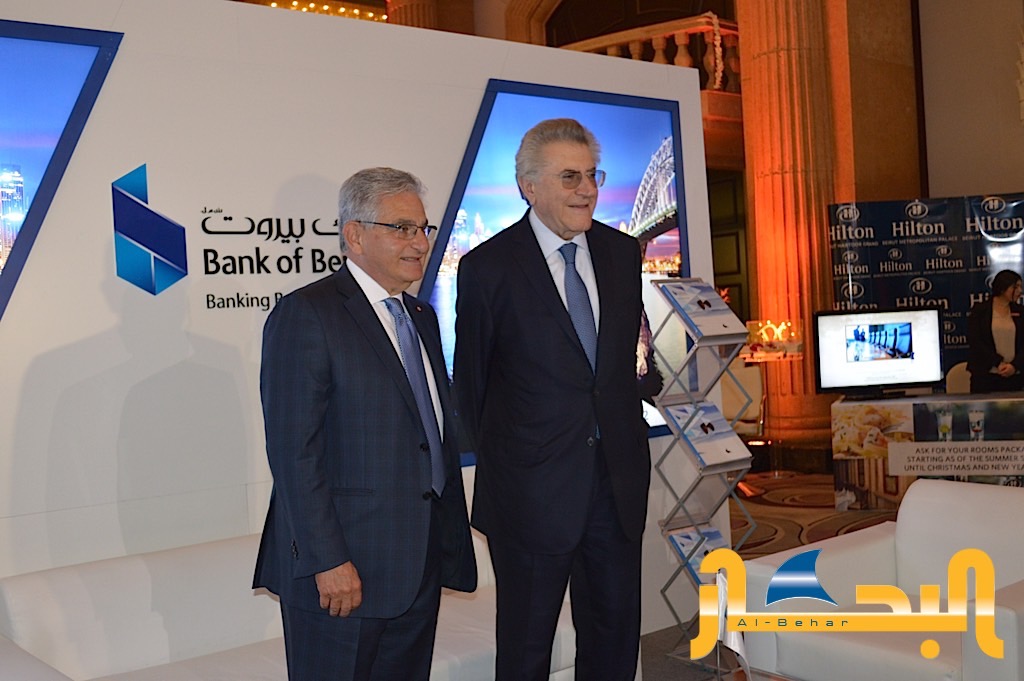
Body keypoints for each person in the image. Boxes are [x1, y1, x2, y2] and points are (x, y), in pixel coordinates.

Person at [253, 167, 476, 681]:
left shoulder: (420, 316)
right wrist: (326, 560)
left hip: (417, 565)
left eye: (423, 228)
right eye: (402, 228)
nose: (420, 243)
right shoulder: (307, 314)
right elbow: (294, 453)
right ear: (355, 235)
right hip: (341, 572)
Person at [453, 118, 651, 681]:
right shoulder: (487, 268)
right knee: (525, 650)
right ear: (529, 186)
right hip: (529, 497)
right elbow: (471, 387)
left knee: (614, 644)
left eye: (592, 175)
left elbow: (617, 372)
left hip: (616, 487)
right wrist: (518, 465)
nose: (586, 189)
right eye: (570, 177)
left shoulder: (621, 253)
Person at [967, 268, 1024, 393]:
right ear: (1003, 288)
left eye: (1020, 287)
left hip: (1015, 377)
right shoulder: (980, 311)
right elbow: (975, 341)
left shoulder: (1021, 311)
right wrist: (998, 363)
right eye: (1016, 287)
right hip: (985, 377)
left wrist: (1014, 366)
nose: (1020, 291)